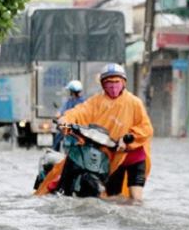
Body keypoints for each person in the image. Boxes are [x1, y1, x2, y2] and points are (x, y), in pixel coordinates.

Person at [60, 64, 153, 200]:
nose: (113, 86)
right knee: (112, 198)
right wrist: (65, 119)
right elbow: (79, 112)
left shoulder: (134, 102)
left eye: (117, 82)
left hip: (135, 156)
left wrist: (129, 138)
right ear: (103, 84)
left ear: (123, 83)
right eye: (109, 82)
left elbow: (146, 127)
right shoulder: (95, 102)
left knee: (136, 198)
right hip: (113, 157)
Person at [53, 80, 87, 150]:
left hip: (72, 126)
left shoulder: (72, 101)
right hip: (80, 127)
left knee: (58, 133)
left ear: (71, 91)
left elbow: (60, 113)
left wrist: (59, 116)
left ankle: (54, 151)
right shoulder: (84, 101)